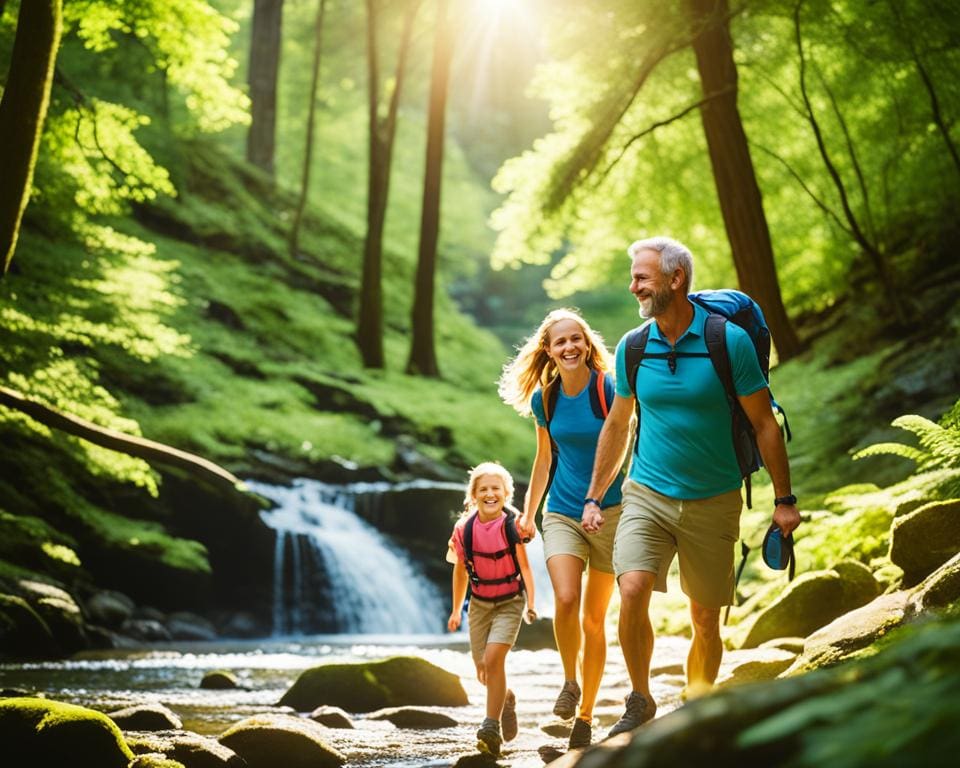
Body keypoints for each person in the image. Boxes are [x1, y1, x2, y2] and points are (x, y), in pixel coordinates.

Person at [580, 236, 802, 738]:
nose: (632, 285)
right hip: (647, 493)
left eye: (642, 277)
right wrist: (595, 494)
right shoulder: (634, 347)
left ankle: (697, 710)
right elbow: (618, 424)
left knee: (705, 619)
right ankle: (640, 700)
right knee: (632, 588)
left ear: (675, 279)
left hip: (715, 497)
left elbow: (765, 424)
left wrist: (784, 502)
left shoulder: (729, 342)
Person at [498, 309, 625, 749]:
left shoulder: (608, 389)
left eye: (576, 339)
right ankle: (569, 681)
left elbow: (624, 446)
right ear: (548, 351)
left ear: (587, 344)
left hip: (612, 513)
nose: (569, 347)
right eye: (560, 342)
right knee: (567, 599)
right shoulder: (545, 399)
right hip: (563, 513)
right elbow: (544, 459)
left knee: (594, 620)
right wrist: (528, 513)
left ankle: (586, 715)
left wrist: (599, 497)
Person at [447, 461, 537, 757]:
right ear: (473, 495)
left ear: (506, 493)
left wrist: (532, 604)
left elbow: (525, 567)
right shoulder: (464, 530)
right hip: (480, 606)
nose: (489, 494)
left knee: (494, 657)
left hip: (511, 602)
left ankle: (490, 725)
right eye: (483, 489)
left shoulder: (513, 524)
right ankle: (506, 699)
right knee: (483, 669)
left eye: (495, 489)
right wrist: (456, 610)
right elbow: (460, 571)